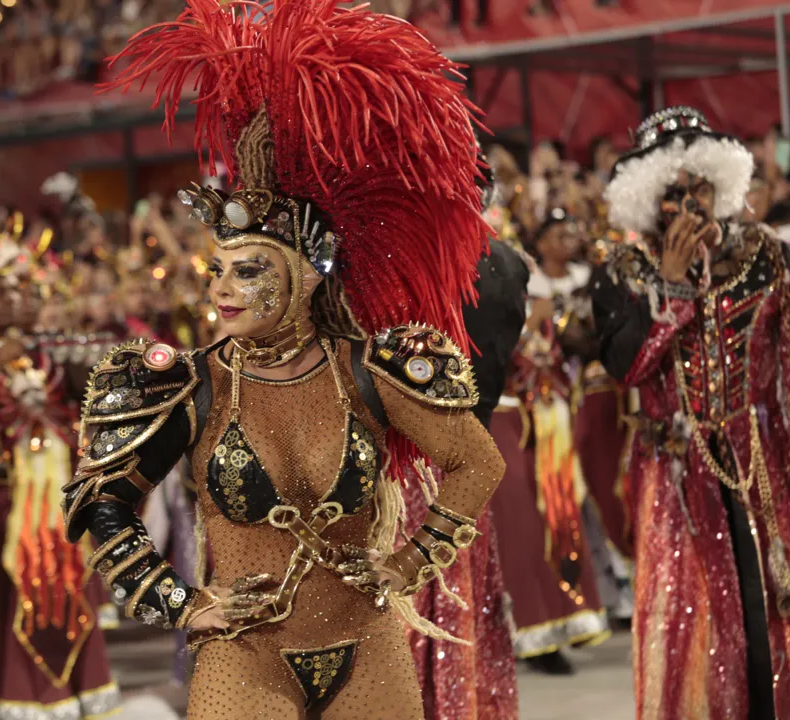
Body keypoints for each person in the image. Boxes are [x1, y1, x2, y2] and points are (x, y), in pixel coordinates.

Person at [64, 0, 505, 717]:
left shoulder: (370, 367)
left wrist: (407, 564)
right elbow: (100, 498)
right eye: (218, 270)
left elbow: (478, 462)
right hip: (245, 657)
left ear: (304, 277)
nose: (223, 288)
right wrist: (179, 602)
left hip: (369, 649)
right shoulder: (188, 382)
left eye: (248, 270)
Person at [592, 106, 790, 718]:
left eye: (700, 188)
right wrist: (673, 287)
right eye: (674, 193)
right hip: (677, 476)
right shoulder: (625, 274)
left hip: (764, 466)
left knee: (776, 615)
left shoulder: (766, 256)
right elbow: (627, 368)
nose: (689, 204)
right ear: (649, 201)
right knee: (697, 626)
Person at [0, 221, 120, 720]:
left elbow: (83, 406)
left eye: (24, 287)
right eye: (2, 288)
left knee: (60, 585)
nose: (17, 298)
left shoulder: (47, 349)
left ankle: (71, 693)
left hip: (51, 498)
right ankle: (2, 694)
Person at [405, 164, 525, 719]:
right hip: (462, 456)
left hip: (414, 464)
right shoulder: (503, 264)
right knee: (457, 600)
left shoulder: (411, 266)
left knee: (426, 600)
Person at [488, 209, 610, 675]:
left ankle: (562, 623)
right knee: (518, 525)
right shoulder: (495, 314)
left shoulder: (544, 317)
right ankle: (530, 632)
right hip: (502, 418)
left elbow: (557, 358)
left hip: (544, 421)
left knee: (557, 521)